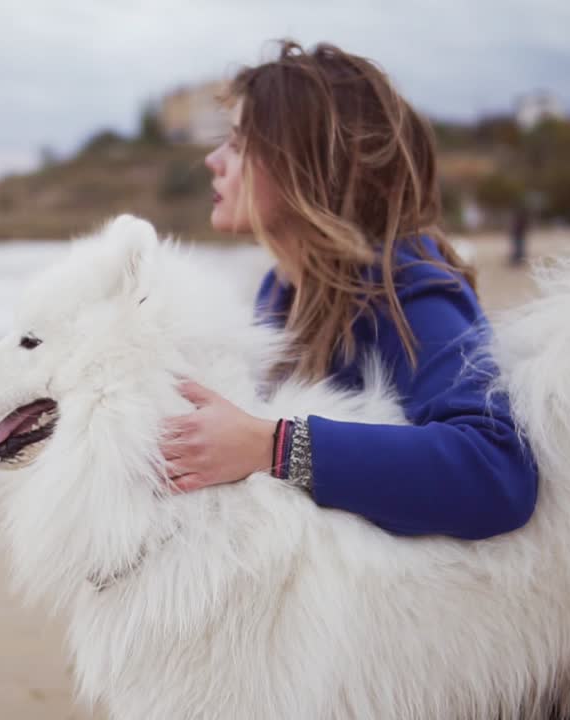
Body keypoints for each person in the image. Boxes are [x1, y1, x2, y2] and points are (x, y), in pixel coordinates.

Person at [160, 41, 538, 540]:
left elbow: (497, 471)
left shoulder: (406, 286)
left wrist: (275, 447)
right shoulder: (281, 289)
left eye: (239, 142)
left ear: (306, 164)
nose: (214, 160)